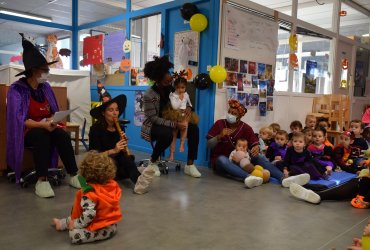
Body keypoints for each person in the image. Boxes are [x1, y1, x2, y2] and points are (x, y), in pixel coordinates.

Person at [6, 33, 80, 198]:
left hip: (47, 127)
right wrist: (43, 125)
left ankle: (74, 174)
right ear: (33, 71)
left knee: (62, 136)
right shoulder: (16, 90)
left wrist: (54, 120)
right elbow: (20, 120)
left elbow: (53, 110)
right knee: (41, 136)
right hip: (27, 132)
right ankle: (42, 180)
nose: (48, 72)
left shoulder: (45, 87)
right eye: (45, 70)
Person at [207, 99, 310, 189]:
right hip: (225, 162)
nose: (230, 115)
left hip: (244, 161)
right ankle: (250, 178)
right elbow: (209, 145)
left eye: (234, 114)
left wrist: (255, 147)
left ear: (240, 116)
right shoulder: (219, 124)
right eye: (229, 112)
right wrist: (219, 136)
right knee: (221, 160)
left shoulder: (246, 128)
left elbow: (254, 144)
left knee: (259, 157)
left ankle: (284, 178)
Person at [141, 56, 201, 178]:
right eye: (166, 80)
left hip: (174, 123)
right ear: (158, 79)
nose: (170, 82)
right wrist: (175, 124)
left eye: (170, 79)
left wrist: (190, 108)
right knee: (166, 134)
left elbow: (186, 100)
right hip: (154, 126)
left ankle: (190, 165)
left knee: (194, 129)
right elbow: (153, 118)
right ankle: (152, 162)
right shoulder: (149, 94)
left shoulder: (173, 89)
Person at [89, 94, 155, 194]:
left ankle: (139, 182)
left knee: (127, 158)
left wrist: (124, 146)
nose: (115, 113)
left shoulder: (120, 127)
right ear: (103, 113)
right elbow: (94, 157)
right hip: (103, 161)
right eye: (110, 110)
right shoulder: (95, 129)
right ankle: (136, 173)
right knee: (119, 170)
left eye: (116, 110)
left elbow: (122, 152)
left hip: (117, 160)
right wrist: (114, 150)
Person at [52, 151, 122, 244]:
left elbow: (89, 215)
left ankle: (68, 225)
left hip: (99, 226)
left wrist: (76, 224)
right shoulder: (113, 185)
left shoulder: (89, 193)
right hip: (111, 223)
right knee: (74, 217)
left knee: (74, 234)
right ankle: (62, 224)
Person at [162, 70, 199, 161]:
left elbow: (190, 104)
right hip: (174, 114)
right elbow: (174, 106)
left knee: (185, 126)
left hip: (183, 114)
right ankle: (172, 153)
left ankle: (182, 144)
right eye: (178, 88)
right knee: (174, 133)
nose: (180, 90)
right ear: (175, 87)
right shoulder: (172, 95)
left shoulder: (186, 94)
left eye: (182, 88)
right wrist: (179, 98)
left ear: (185, 87)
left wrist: (189, 107)